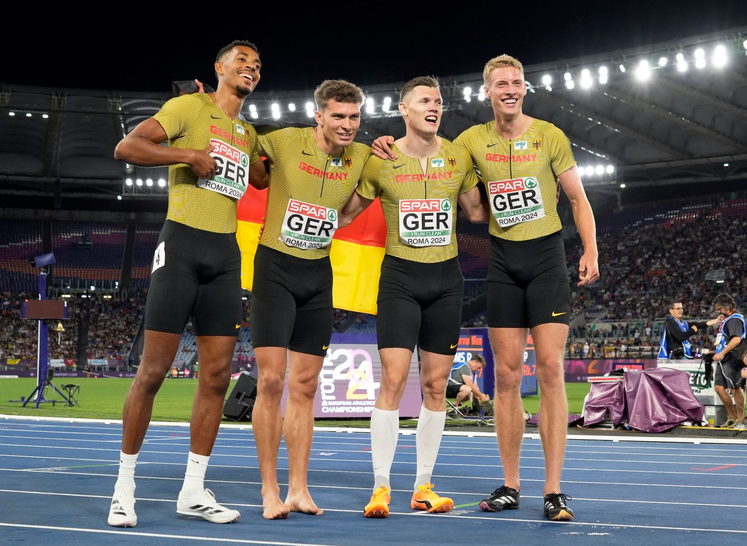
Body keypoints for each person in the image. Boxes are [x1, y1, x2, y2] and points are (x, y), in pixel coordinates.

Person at [371, 55, 600, 522]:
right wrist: (384, 144)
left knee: (552, 370)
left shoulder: (549, 135)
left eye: (517, 82)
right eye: (501, 83)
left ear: (524, 89)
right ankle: (511, 484)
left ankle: (553, 489)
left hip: (546, 261)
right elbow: (459, 191)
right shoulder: (470, 143)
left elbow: (577, 198)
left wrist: (590, 251)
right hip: (502, 263)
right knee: (510, 376)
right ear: (488, 92)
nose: (510, 89)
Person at [108, 40, 267, 528]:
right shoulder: (187, 107)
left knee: (217, 378)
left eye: (257, 65)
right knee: (152, 373)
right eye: (242, 61)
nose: (251, 68)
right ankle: (123, 487)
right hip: (179, 248)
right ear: (218, 68)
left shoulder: (248, 132)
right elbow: (127, 147)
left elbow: (262, 178)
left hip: (224, 255)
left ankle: (193, 491)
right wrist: (189, 155)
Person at [338, 76, 488, 518]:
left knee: (436, 385)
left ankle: (423, 485)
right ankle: (380, 485)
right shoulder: (380, 159)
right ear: (404, 110)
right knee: (393, 380)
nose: (434, 106)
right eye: (424, 100)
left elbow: (477, 212)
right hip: (400, 279)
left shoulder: (458, 156)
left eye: (439, 101)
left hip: (447, 280)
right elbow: (346, 211)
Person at [249, 79, 373, 520]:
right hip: (275, 269)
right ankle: (269, 490)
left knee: (304, 387)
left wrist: (345, 216)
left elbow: (375, 188)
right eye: (337, 116)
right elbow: (240, 140)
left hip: (318, 275)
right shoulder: (284, 141)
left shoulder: (362, 155)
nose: (347, 125)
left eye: (354, 117)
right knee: (270, 382)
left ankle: (299, 489)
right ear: (318, 114)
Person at [710, 293, 747, 428]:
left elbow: (736, 339)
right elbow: (725, 340)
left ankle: (741, 419)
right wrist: (716, 352)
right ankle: (732, 416)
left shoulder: (735, 319)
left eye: (720, 308)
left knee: (735, 388)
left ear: (727, 306)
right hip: (723, 357)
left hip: (732, 358)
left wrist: (722, 353)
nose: (719, 311)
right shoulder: (727, 319)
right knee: (719, 387)